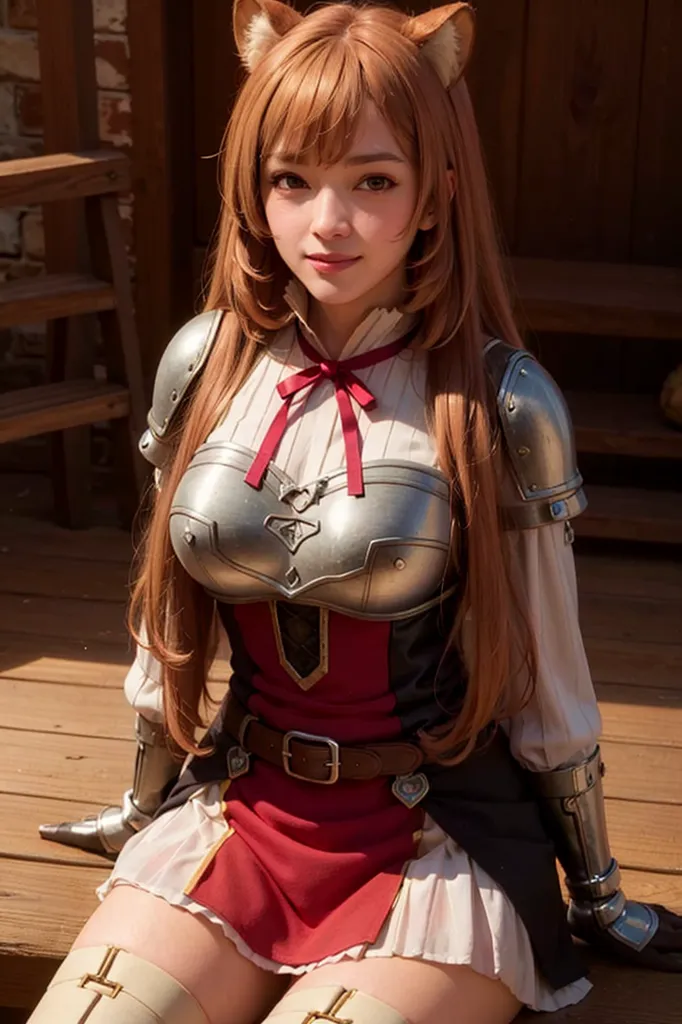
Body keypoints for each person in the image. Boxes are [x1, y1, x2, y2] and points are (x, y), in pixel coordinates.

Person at [30, 1, 682, 1022]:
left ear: (436, 193)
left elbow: (551, 680)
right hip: (240, 814)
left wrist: (595, 889)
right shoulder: (204, 365)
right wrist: (139, 801)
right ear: (254, 188)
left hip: (438, 843)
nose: (326, 224)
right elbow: (163, 624)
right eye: (293, 179)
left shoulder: (500, 402)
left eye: (372, 181)